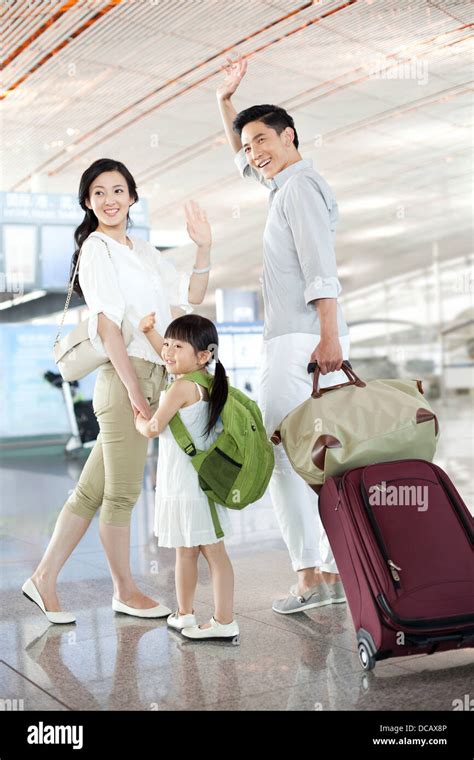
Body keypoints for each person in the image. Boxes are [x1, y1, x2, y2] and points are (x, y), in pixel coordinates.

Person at [22, 158, 212, 623]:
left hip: (151, 375)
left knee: (89, 492)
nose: (109, 200)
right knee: (123, 493)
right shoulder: (96, 249)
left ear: (132, 197)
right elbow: (108, 330)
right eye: (99, 192)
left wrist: (203, 248)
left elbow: (191, 297)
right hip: (125, 379)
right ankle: (125, 590)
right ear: (88, 202)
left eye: (118, 190)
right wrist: (136, 394)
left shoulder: (142, 250)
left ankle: (43, 579)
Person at [216, 57, 350, 614]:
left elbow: (321, 268)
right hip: (304, 340)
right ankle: (331, 569)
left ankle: (309, 578)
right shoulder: (287, 183)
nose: (252, 153)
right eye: (247, 146)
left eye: (262, 140)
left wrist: (328, 337)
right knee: (317, 458)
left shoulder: (297, 191)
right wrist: (224, 103)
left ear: (289, 135)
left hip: (299, 343)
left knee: (281, 454)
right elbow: (240, 156)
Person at [135, 313, 239, 642]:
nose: (167, 351)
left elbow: (153, 428)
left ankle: (222, 620)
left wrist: (137, 418)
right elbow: (172, 358)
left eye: (177, 345)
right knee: (196, 551)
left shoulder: (181, 387)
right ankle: (184, 614)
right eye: (166, 344)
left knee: (205, 552)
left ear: (203, 355)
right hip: (192, 485)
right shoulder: (205, 380)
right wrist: (154, 334)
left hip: (188, 487)